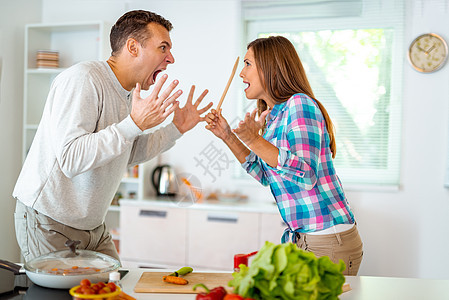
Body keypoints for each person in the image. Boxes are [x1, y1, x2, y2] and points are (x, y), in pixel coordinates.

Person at [13, 10, 212, 262]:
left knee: (114, 288)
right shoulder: (84, 79)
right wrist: (133, 124)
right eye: (163, 47)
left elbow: (130, 152)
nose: (170, 58)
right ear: (133, 47)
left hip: (94, 226)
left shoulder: (129, 93)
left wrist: (176, 128)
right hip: (51, 221)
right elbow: (71, 158)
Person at [205, 36, 363, 275]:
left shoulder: (300, 105)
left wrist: (253, 139)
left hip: (327, 240)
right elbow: (265, 174)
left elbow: (306, 174)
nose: (241, 73)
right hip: (304, 240)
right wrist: (227, 135)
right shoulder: (274, 116)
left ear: (271, 68)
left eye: (247, 64)